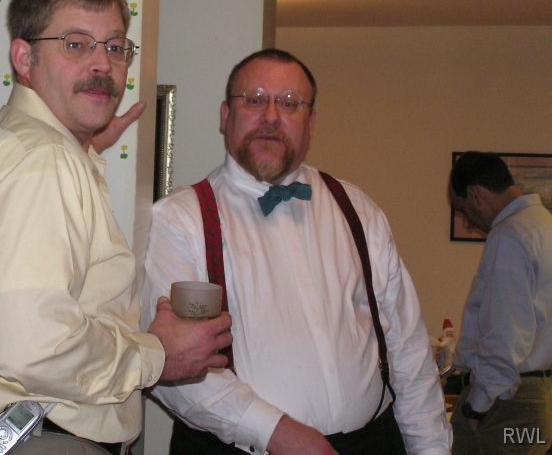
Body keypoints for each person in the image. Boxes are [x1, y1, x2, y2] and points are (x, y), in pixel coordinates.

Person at [0, 0, 232, 455]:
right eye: (76, 44)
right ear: (24, 58)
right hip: (46, 443)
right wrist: (158, 356)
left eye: (116, 47)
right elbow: (33, 346)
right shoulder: (40, 162)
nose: (103, 65)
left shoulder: (21, 147)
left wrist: (86, 147)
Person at [142, 49, 451, 455]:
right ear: (225, 116)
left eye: (290, 103)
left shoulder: (357, 208)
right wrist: (276, 432)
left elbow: (408, 350)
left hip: (373, 442)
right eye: (254, 99)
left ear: (311, 123)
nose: (271, 116)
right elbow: (176, 365)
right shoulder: (180, 219)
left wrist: (431, 449)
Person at [448, 151, 552, 454]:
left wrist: (476, 407)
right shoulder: (544, 225)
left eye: (463, 210)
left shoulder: (510, 235)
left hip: (507, 403)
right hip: (538, 400)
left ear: (476, 195)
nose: (468, 223)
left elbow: (506, 332)